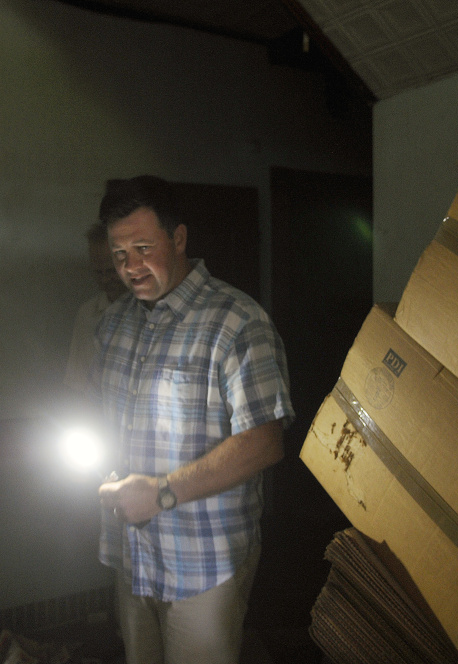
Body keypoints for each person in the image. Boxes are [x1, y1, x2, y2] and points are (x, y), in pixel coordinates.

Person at [93, 176, 293, 664]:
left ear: (178, 239)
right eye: (120, 254)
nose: (131, 267)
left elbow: (265, 442)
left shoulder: (238, 322)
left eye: (143, 248)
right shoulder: (114, 323)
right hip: (133, 553)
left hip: (204, 563)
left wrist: (161, 492)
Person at [63, 223, 127, 392]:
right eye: (99, 273)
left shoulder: (150, 312)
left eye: (111, 271)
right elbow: (76, 381)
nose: (105, 280)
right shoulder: (87, 314)